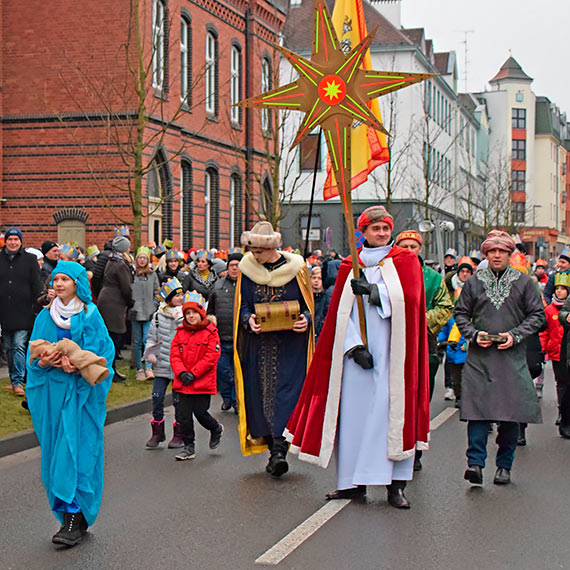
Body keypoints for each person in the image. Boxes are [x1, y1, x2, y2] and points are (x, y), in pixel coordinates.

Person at [285, 206, 430, 509]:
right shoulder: (350, 264)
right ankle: (352, 484)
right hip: (357, 359)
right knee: (353, 418)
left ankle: (395, 486)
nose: (381, 233)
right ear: (362, 233)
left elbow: (412, 302)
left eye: (386, 229)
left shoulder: (405, 261)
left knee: (390, 416)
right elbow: (339, 313)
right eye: (375, 229)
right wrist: (353, 346)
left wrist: (375, 292)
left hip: (393, 355)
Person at [26, 261, 114, 547]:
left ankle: (74, 516)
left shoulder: (90, 315)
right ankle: (70, 513)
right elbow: (34, 363)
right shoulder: (45, 317)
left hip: (82, 398)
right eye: (55, 279)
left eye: (65, 279)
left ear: (78, 283)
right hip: (53, 395)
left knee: (79, 453)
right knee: (57, 454)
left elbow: (104, 355)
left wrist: (79, 365)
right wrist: (44, 361)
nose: (59, 284)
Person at [454, 230, 545, 486]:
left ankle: (504, 466)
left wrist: (515, 335)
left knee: (509, 413)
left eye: (501, 251)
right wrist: (473, 334)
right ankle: (475, 464)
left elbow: (537, 316)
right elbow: (460, 313)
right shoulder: (473, 282)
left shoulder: (525, 283)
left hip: (512, 356)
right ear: (486, 254)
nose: (496, 255)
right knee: (478, 411)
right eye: (492, 251)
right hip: (480, 356)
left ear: (509, 254)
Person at [234, 221, 314, 477]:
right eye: (252, 250)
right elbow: (244, 305)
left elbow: (309, 305)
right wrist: (248, 320)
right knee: (261, 398)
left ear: (271, 248)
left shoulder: (297, 270)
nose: (253, 255)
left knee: (287, 395)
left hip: (291, 346)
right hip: (260, 346)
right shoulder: (248, 271)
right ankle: (273, 449)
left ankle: (280, 448)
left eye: (258, 251)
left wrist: (306, 319)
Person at [396, 229, 453, 471]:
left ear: (420, 249)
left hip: (423, 345)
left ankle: (416, 448)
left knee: (419, 399)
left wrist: (419, 320)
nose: (409, 250)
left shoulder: (432, 277)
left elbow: (446, 306)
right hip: (393, 342)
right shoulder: (388, 273)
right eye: (404, 246)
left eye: (413, 246)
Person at [170, 292, 223, 460]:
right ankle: (188, 447)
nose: (191, 316)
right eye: (187, 313)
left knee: (200, 412)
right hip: (183, 381)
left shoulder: (211, 332)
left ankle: (215, 428)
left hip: (201, 381)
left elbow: (211, 357)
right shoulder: (180, 333)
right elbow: (174, 355)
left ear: (201, 314)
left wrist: (193, 373)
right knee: (183, 415)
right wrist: (181, 372)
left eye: (193, 313)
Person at [0, 227, 43, 396]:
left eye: (16, 240)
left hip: (23, 309)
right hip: (4, 311)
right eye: (10, 239)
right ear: (6, 241)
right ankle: (13, 379)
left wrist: (39, 301)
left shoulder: (30, 259)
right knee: (8, 347)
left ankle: (18, 381)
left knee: (19, 345)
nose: (13, 242)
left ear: (20, 241)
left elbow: (36, 284)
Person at [144, 278, 185, 448]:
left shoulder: (186, 314)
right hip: (161, 362)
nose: (180, 298)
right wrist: (149, 353)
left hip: (179, 365)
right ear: (168, 298)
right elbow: (151, 337)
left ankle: (180, 434)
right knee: (157, 396)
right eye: (176, 295)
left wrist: (181, 319)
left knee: (178, 400)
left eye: (182, 294)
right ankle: (157, 432)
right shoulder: (158, 316)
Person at [207, 249, 243, 413]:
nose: (234, 268)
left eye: (237, 265)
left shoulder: (247, 286)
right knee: (222, 370)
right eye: (232, 265)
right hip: (221, 336)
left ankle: (236, 402)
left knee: (237, 371)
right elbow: (211, 310)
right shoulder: (218, 285)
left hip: (241, 337)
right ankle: (227, 397)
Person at [97, 235, 134, 382]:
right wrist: (131, 301)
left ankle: (110, 369)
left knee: (111, 337)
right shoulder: (121, 265)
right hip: (114, 303)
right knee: (114, 337)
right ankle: (110, 370)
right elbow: (126, 288)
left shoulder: (112, 260)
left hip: (107, 299)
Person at [540, 273, 570, 426]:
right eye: (557, 288)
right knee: (562, 383)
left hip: (568, 350)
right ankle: (561, 412)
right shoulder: (549, 310)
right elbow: (544, 332)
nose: (559, 291)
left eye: (563, 289)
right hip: (557, 352)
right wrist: (542, 349)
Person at [131, 246, 160, 381]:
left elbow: (157, 292)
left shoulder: (152, 274)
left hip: (149, 311)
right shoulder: (131, 274)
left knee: (147, 340)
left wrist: (154, 305)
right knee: (136, 341)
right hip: (135, 310)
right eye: (140, 258)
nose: (142, 260)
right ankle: (139, 368)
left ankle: (149, 367)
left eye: (144, 258)